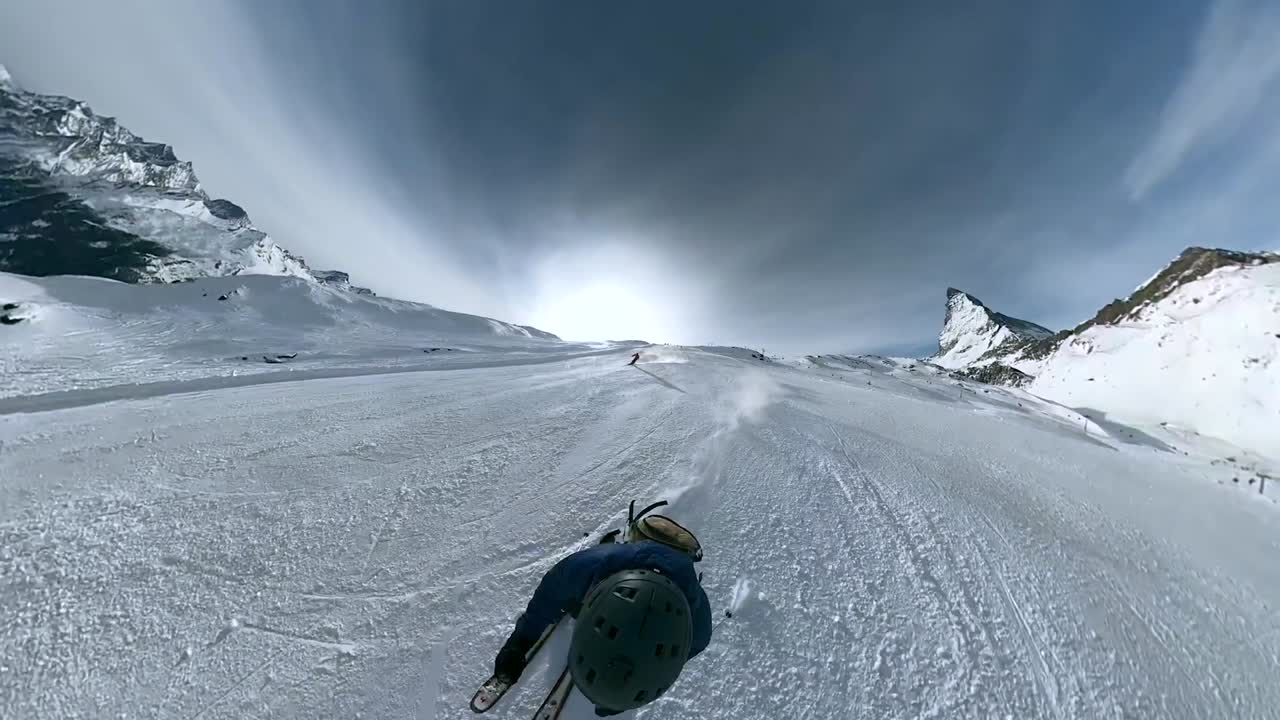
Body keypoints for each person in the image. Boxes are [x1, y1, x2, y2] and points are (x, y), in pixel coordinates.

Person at [491, 511, 712, 717]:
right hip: (606, 569)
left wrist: (520, 642)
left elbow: (673, 656)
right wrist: (519, 643)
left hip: (610, 573)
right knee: (570, 595)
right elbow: (548, 596)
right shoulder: (586, 567)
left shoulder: (699, 628)